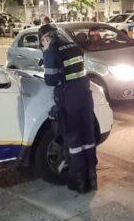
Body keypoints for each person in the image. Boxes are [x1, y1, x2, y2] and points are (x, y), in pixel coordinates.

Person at [40, 23, 98, 193]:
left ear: (46, 38)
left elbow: (51, 80)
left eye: (42, 41)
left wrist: (47, 59)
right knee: (88, 137)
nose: (43, 44)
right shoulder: (74, 46)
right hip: (85, 95)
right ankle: (92, 179)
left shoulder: (51, 51)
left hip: (69, 98)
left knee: (74, 140)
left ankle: (80, 183)